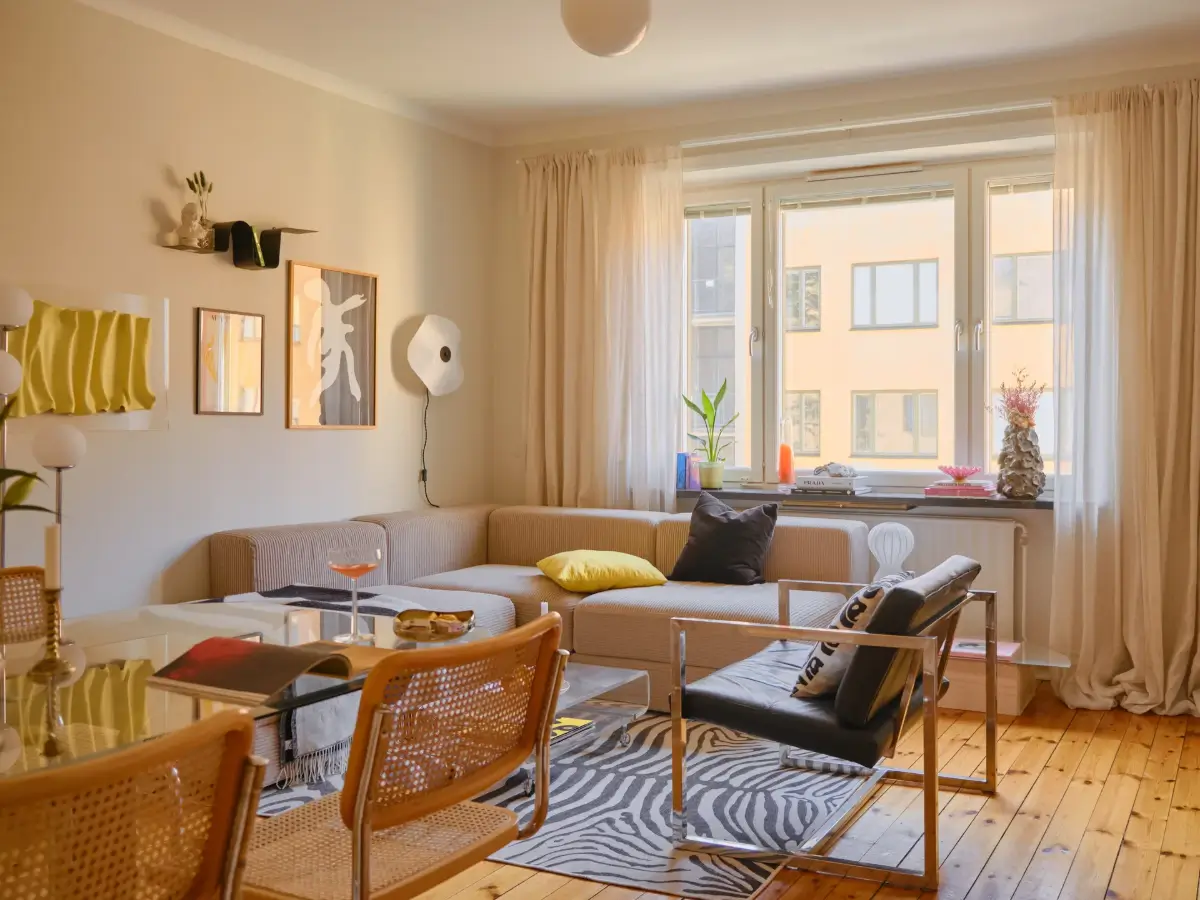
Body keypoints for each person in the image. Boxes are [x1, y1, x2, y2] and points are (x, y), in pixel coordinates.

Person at [304, 277, 368, 408]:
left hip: (339, 343)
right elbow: (312, 337)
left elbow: (345, 306)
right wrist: (310, 358)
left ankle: (353, 384)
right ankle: (317, 392)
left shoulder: (334, 308)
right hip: (329, 345)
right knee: (331, 374)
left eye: (324, 289)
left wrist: (355, 301)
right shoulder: (320, 313)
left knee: (349, 354)